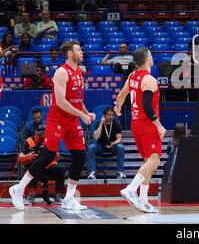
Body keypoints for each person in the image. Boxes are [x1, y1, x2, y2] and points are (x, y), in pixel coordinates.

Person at [9, 41, 96, 211]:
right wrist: (82, 115)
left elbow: (77, 98)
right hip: (58, 119)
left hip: (72, 119)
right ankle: (18, 189)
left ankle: (69, 199)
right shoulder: (62, 72)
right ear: (70, 54)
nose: (82, 52)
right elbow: (62, 102)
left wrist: (87, 111)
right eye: (79, 50)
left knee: (79, 156)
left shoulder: (79, 70)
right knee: (47, 156)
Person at [114, 47, 166, 213]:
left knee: (148, 162)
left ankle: (143, 200)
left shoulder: (132, 76)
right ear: (148, 58)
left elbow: (121, 95)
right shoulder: (149, 80)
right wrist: (159, 126)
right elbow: (148, 107)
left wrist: (117, 107)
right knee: (155, 160)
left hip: (135, 123)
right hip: (147, 123)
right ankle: (131, 188)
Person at [19, 124, 65, 205]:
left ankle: (58, 196)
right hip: (34, 166)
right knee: (34, 167)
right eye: (40, 134)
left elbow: (57, 157)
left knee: (61, 168)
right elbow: (20, 158)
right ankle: (32, 194)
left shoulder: (49, 141)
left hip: (47, 166)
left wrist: (54, 154)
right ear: (36, 133)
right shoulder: (28, 141)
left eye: (44, 134)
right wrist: (27, 156)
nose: (42, 136)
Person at [87, 106, 126, 180]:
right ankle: (92, 173)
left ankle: (120, 172)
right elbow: (96, 137)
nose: (111, 117)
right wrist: (101, 123)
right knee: (91, 148)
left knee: (120, 147)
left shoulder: (116, 124)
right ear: (104, 115)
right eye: (109, 115)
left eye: (112, 115)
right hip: (100, 145)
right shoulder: (98, 124)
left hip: (113, 145)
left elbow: (119, 139)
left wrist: (114, 143)